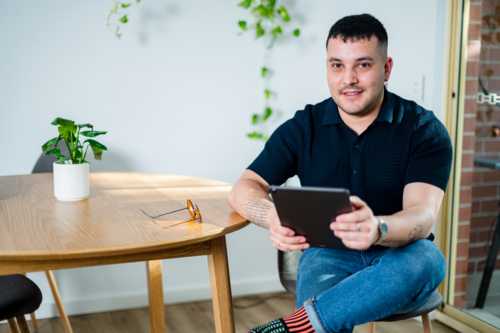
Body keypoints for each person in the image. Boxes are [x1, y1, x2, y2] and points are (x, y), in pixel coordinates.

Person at [229, 13, 453, 333]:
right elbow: (244, 187)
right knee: (327, 311)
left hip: (399, 257)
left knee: (428, 259)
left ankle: (300, 325)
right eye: (337, 65)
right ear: (328, 68)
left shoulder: (423, 130)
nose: (348, 78)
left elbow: (422, 215)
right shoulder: (303, 127)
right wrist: (271, 216)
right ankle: (311, 322)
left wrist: (377, 228)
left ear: (386, 68)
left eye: (363, 65)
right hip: (327, 254)